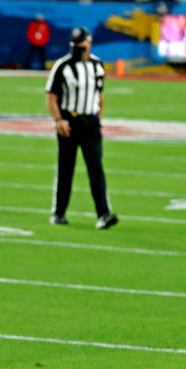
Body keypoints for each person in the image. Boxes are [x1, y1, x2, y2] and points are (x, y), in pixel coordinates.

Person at [46, 27, 117, 229]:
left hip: (90, 123)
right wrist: (59, 120)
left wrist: (98, 119)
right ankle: (58, 212)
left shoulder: (97, 65)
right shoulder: (62, 66)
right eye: (74, 46)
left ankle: (103, 214)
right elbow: (51, 95)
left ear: (89, 44)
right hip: (70, 121)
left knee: (96, 168)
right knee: (66, 168)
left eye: (81, 45)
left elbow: (100, 94)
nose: (77, 49)